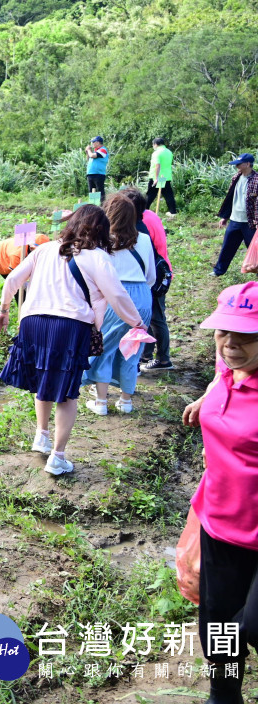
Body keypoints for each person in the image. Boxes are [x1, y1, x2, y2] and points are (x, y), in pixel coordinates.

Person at [0, 205, 146, 476]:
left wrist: (4, 311)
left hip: (33, 322)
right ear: (101, 229)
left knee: (44, 379)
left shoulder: (45, 248)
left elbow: (13, 278)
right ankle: (57, 457)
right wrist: (136, 322)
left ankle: (41, 435)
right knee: (66, 391)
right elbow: (118, 296)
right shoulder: (97, 257)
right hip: (69, 326)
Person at [181, 281, 258, 704]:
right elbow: (222, 376)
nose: (230, 343)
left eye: (245, 334)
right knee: (218, 628)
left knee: (253, 625)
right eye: (223, 331)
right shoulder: (230, 372)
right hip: (220, 526)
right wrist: (206, 400)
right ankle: (224, 696)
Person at [81, 194, 156, 415]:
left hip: (113, 295)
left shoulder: (102, 240)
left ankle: (101, 402)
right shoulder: (143, 238)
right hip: (142, 295)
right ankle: (126, 402)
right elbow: (150, 275)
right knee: (133, 349)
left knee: (105, 348)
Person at [132, 187, 174, 372]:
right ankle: (146, 355)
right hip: (159, 271)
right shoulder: (150, 215)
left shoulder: (141, 224)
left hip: (152, 276)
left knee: (155, 318)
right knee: (152, 318)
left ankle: (163, 359)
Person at [214, 153, 257, 277]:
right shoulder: (236, 177)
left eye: (239, 163)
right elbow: (230, 198)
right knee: (227, 247)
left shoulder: (256, 180)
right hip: (235, 219)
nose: (236, 166)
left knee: (255, 249)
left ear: (248, 164)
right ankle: (219, 270)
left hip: (250, 222)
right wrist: (225, 216)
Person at [146, 137, 177, 216]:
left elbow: (157, 165)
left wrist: (156, 178)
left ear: (155, 144)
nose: (153, 147)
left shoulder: (157, 153)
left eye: (153, 145)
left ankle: (144, 210)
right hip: (165, 176)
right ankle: (173, 212)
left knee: (150, 194)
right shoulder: (169, 152)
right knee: (168, 194)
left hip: (157, 177)